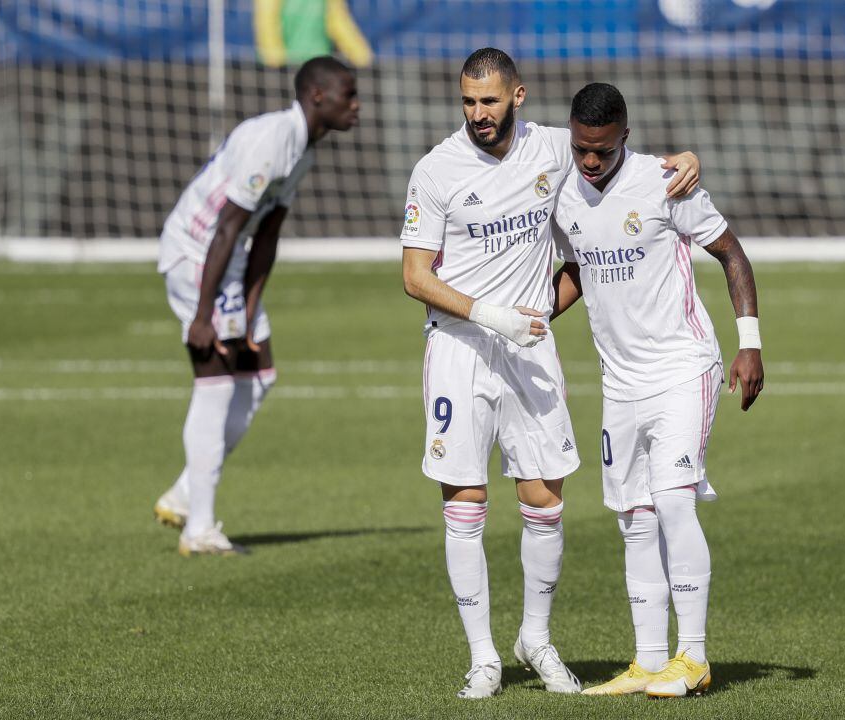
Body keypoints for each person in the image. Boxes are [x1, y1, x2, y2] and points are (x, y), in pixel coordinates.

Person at [400, 48, 702, 699]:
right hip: (459, 349)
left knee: (546, 500)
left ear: (519, 97)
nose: (478, 114)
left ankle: (534, 639)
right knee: (466, 500)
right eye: (468, 102)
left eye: (489, 101)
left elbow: (620, 159)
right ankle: (483, 657)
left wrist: (685, 161)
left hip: (528, 352)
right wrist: (492, 315)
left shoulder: (557, 150)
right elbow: (415, 276)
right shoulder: (436, 170)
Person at [549, 83, 764, 698]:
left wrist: (749, 342)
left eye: (603, 149)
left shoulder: (666, 181)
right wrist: (530, 315)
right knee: (634, 518)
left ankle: (692, 657)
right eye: (582, 148)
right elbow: (580, 271)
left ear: (625, 136)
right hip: (620, 383)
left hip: (682, 368)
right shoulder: (562, 189)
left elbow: (731, 252)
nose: (590, 161)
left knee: (673, 500)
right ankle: (646, 662)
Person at [153, 56, 360, 557]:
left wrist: (248, 307)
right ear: (317, 96)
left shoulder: (304, 148)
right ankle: (198, 527)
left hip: (229, 261)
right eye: (347, 95)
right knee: (218, 383)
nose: (356, 106)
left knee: (259, 376)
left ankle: (185, 492)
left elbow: (266, 234)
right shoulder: (271, 139)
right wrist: (204, 316)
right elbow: (227, 226)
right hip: (197, 254)